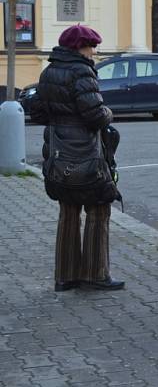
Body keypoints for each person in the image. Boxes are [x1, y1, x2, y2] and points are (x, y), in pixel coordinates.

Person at [29, 24, 124, 292]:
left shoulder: (48, 72)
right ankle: (95, 275)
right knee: (98, 207)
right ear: (79, 48)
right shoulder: (82, 71)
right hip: (85, 150)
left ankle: (65, 276)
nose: (94, 52)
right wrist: (108, 113)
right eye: (90, 46)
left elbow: (37, 112)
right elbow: (95, 114)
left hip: (59, 151)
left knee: (68, 210)